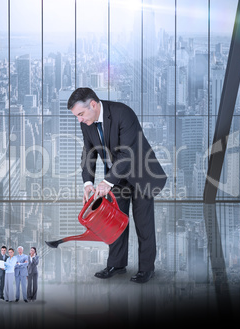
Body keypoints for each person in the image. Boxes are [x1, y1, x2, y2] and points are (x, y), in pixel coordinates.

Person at [67, 87, 167, 284]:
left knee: (143, 224)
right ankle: (117, 264)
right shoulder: (87, 122)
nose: (79, 119)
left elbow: (127, 154)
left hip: (140, 173)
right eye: (76, 116)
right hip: (116, 177)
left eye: (80, 114)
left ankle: (146, 269)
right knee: (114, 222)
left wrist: (106, 182)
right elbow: (89, 152)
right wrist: (88, 182)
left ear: (93, 105)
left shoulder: (123, 113)